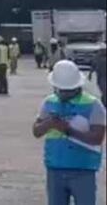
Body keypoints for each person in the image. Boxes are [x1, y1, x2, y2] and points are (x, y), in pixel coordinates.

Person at [32, 60, 105, 205]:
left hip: (83, 169)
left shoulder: (93, 105)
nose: (63, 94)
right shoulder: (49, 102)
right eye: (60, 90)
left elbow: (97, 137)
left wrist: (68, 130)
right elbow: (36, 131)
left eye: (68, 90)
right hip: (55, 168)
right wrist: (49, 123)